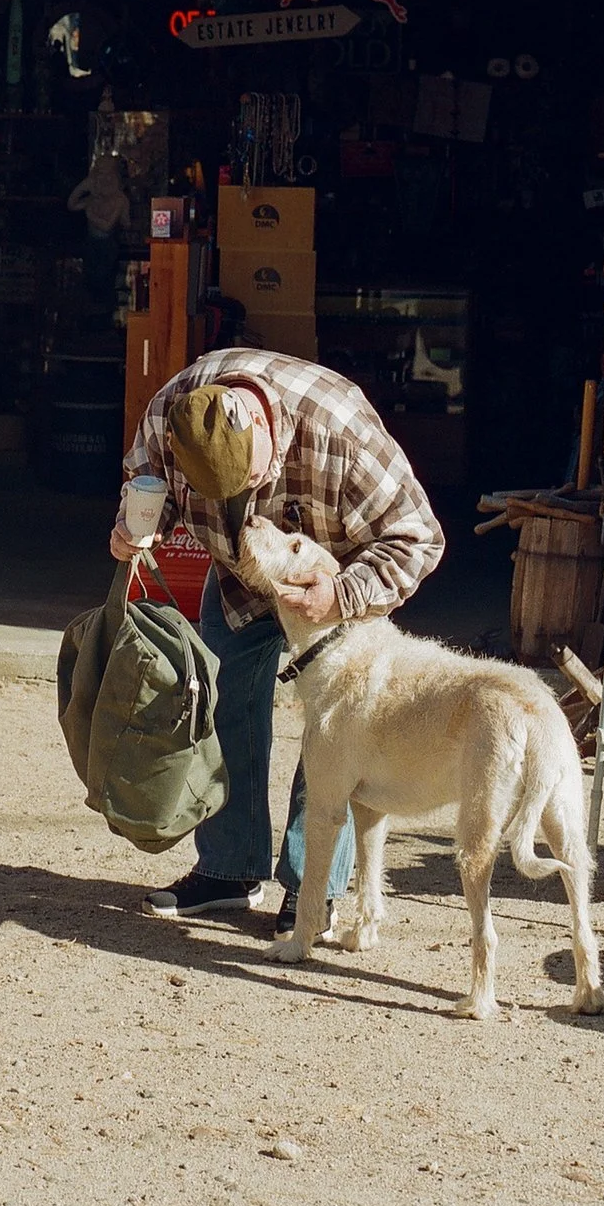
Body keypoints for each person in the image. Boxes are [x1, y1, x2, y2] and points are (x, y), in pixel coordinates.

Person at [113, 346, 446, 935]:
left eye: (250, 481)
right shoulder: (171, 412)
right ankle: (230, 869)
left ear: (264, 426)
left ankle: (310, 888)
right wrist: (136, 529)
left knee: (332, 735)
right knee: (217, 704)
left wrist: (338, 597)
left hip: (334, 588)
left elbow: (418, 539)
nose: (243, 497)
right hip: (239, 582)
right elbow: (146, 482)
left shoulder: (339, 429)